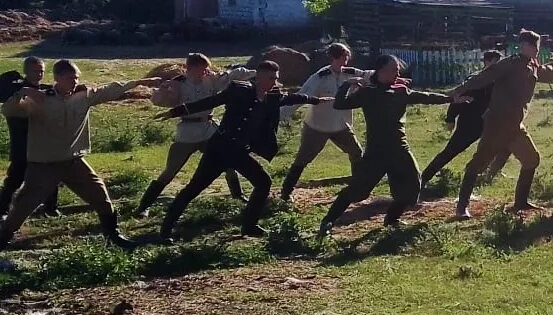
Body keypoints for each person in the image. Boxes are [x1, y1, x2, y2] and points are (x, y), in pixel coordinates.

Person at [154, 61, 326, 241]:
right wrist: (176, 112)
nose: (274, 82)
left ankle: (249, 227)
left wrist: (315, 100)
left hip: (239, 153)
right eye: (270, 78)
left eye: (276, 78)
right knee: (193, 188)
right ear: (258, 77)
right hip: (219, 149)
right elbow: (211, 101)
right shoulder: (239, 90)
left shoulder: (273, 96)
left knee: (263, 183)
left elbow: (292, 97)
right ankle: (165, 230)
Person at [0, 61, 162, 251]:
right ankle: (2, 240)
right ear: (58, 78)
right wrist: (23, 93)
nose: (75, 81)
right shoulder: (41, 99)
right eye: (70, 78)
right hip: (44, 165)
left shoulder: (83, 96)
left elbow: (111, 89)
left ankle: (115, 237)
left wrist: (142, 82)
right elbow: (8, 110)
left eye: (76, 77)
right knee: (22, 208)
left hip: (74, 162)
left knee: (101, 196)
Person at [449, 30, 553, 217]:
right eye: (535, 48)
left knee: (531, 159)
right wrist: (456, 91)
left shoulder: (532, 65)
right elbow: (483, 77)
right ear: (526, 46)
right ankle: (462, 207)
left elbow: (550, 73)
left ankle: (520, 203)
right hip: (497, 124)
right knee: (477, 165)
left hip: (515, 126)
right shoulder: (510, 63)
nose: (538, 52)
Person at [316, 55, 453, 237]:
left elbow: (425, 97)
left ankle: (391, 220)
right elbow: (340, 104)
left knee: (412, 185)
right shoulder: (368, 93)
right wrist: (347, 85)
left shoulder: (400, 91)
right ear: (381, 70)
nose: (398, 73)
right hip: (376, 152)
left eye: (398, 69)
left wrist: (450, 99)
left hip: (399, 148)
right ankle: (328, 221)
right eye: (393, 69)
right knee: (357, 191)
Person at [135, 53, 255, 216]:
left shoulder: (211, 80)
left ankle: (238, 195)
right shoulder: (179, 84)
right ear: (190, 69)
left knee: (227, 162)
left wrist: (256, 73)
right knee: (170, 171)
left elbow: (234, 75)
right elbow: (157, 101)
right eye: (201, 69)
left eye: (207, 68)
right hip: (187, 132)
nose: (205, 72)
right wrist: (164, 90)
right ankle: (143, 207)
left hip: (208, 129)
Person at [277, 43, 369, 203]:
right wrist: (277, 117)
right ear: (333, 57)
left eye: (347, 56)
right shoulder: (320, 77)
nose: (346, 59)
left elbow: (370, 75)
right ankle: (286, 192)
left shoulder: (350, 74)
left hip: (340, 125)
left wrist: (387, 75)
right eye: (342, 56)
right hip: (317, 126)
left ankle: (357, 188)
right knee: (303, 159)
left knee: (356, 152)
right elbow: (300, 97)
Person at [419, 49, 506, 190]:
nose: (498, 66)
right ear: (487, 62)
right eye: (495, 62)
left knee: (503, 146)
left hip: (490, 123)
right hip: (470, 123)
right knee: (451, 151)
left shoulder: (500, 81)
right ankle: (424, 178)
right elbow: (458, 98)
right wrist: (450, 118)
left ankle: (490, 174)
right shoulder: (475, 79)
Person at [0, 57, 59, 219]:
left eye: (42, 71)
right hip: (22, 140)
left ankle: (50, 207)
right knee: (16, 177)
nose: (39, 74)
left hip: (43, 141)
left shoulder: (46, 90)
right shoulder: (14, 89)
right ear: (26, 71)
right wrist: (21, 89)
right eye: (35, 70)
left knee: (50, 175)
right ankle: (3, 209)